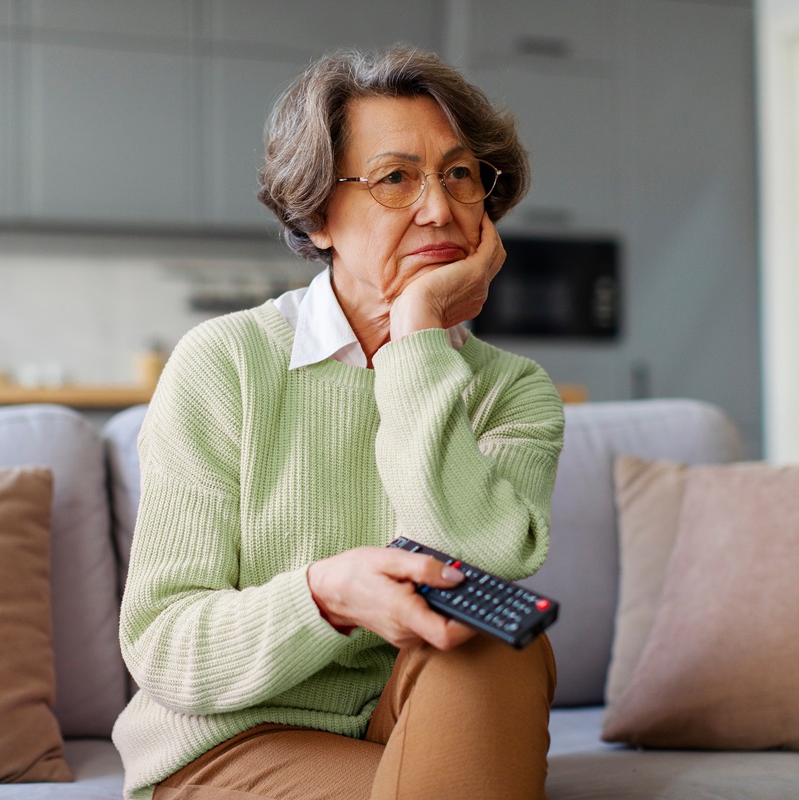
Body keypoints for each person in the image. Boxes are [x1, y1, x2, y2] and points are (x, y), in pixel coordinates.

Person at [112, 45, 565, 800]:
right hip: (234, 738)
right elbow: (165, 645)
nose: (439, 207)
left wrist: (416, 337)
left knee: (496, 637)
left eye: (459, 174)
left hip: (422, 722)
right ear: (318, 214)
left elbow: (479, 563)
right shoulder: (225, 364)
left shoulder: (513, 393)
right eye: (395, 178)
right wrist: (324, 597)